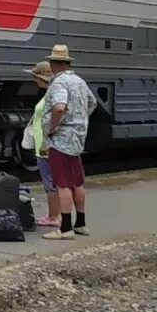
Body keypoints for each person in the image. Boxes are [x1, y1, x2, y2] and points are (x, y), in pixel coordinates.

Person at [38, 44, 94, 240]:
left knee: (62, 185)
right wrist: (81, 119)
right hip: (78, 138)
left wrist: (53, 127)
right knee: (77, 183)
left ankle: (66, 229)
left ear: (53, 64)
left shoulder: (59, 83)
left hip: (61, 141)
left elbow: (59, 107)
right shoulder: (79, 81)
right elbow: (92, 102)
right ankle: (81, 224)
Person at [23, 60, 62, 228]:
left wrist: (51, 130)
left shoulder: (52, 95)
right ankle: (54, 215)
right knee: (51, 180)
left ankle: (54, 216)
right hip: (44, 143)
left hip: (46, 144)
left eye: (36, 77)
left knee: (50, 181)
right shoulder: (50, 93)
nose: (34, 81)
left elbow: (58, 113)